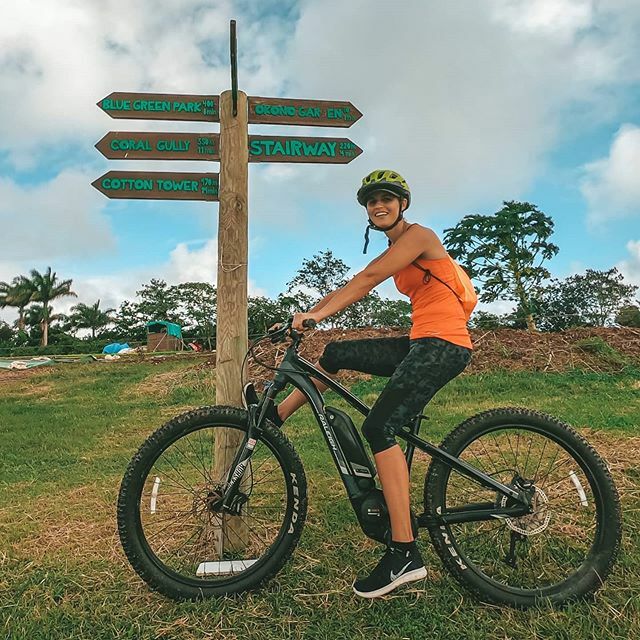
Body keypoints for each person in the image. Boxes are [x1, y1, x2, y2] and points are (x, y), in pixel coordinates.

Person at [258, 169, 473, 598]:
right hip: (419, 341)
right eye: (372, 201)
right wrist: (304, 316)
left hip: (443, 343)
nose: (379, 206)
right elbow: (355, 283)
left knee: (379, 427)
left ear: (402, 204)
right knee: (335, 354)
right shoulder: (397, 245)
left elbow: (367, 280)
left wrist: (317, 315)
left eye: (387, 199)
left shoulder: (420, 236)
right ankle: (278, 415)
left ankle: (405, 552)